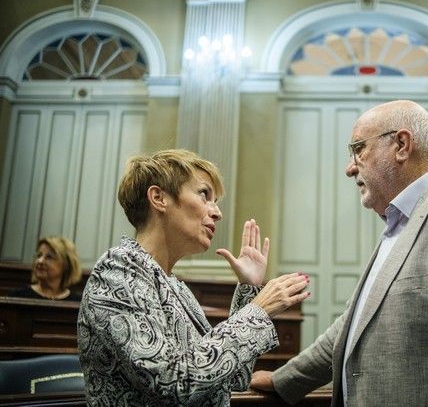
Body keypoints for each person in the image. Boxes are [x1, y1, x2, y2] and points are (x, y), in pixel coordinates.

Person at [251, 100, 428, 406]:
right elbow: (351, 327)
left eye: (359, 149)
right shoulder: (398, 223)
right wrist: (285, 379)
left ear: (402, 145)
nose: (350, 168)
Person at [77, 149, 310, 406]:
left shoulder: (175, 286)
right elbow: (170, 381)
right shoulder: (117, 270)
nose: (217, 212)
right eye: (204, 195)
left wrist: (249, 289)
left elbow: (232, 379)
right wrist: (258, 311)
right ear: (159, 198)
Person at [9, 236, 82, 301]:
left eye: (49, 257)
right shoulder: (18, 296)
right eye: (39, 255)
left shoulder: (77, 302)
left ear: (66, 265)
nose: (40, 261)